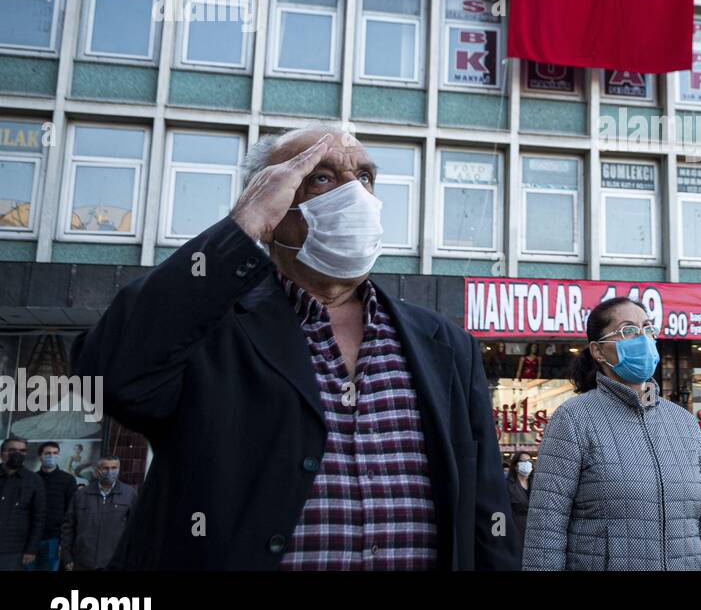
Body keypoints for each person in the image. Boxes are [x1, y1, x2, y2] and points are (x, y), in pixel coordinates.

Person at [73, 125, 517, 570]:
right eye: (321, 177)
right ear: (269, 202)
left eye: (364, 178)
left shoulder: (443, 343)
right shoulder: (208, 328)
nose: (355, 195)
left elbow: (484, 505)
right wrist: (240, 227)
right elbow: (110, 377)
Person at [522, 297, 701, 570]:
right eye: (628, 331)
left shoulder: (684, 423)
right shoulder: (573, 419)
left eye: (648, 329)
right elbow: (546, 529)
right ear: (598, 351)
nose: (642, 339)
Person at [60, 456, 137, 571]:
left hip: (114, 563)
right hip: (83, 562)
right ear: (97, 470)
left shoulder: (129, 494)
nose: (110, 472)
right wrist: (67, 558)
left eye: (114, 468)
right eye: (105, 468)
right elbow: (68, 528)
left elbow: (135, 530)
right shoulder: (81, 495)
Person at [0, 438, 43, 569]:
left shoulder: (34, 480)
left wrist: (31, 549)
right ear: (2, 453)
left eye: (22, 451)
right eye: (12, 450)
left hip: (15, 550)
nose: (17, 454)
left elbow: (39, 517)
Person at [33, 442, 76, 571]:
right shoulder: (32, 478)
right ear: (40, 456)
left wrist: (65, 542)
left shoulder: (68, 479)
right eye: (48, 453)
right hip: (31, 537)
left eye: (55, 453)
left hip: (54, 537)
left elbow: (71, 510)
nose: (52, 456)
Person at [506, 451, 533, 548]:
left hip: (534, 531)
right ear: (515, 465)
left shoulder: (536, 483)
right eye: (523, 461)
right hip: (515, 531)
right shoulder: (507, 485)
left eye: (529, 461)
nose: (527, 464)